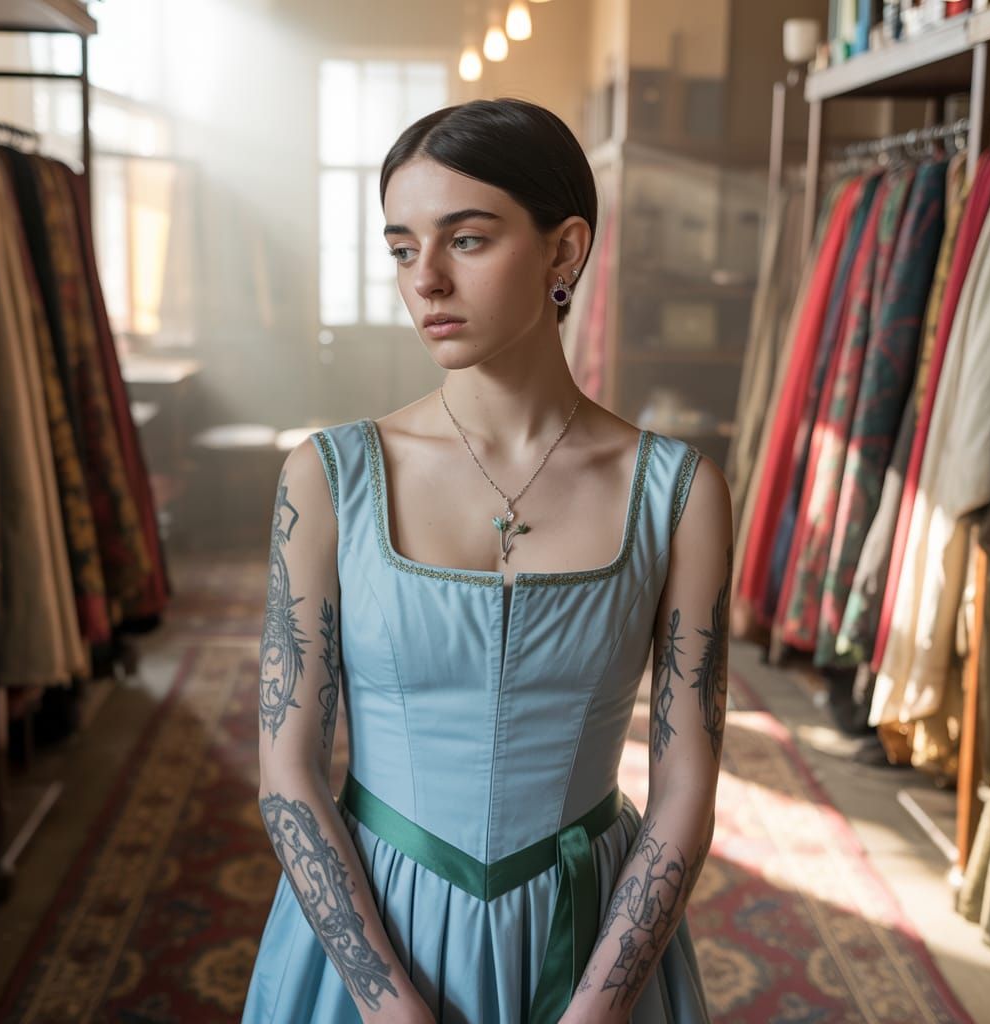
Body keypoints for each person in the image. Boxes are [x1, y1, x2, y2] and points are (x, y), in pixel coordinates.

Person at [241, 97, 731, 1024]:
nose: (425, 279)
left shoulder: (679, 493)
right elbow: (288, 774)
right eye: (401, 248)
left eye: (465, 240)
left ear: (564, 251)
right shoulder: (329, 477)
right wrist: (387, 1005)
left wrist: (596, 1009)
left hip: (585, 938)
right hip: (371, 939)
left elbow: (684, 787)